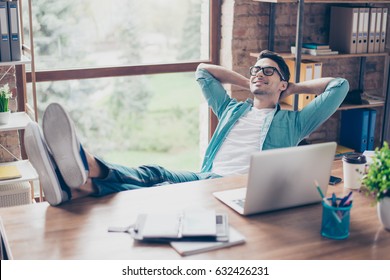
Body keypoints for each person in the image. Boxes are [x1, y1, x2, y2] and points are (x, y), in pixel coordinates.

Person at [24, 50, 349, 206]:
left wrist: (290, 90)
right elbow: (202, 72)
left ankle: (83, 164)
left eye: (268, 71)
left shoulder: (294, 122)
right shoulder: (232, 109)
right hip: (206, 177)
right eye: (255, 69)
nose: (258, 74)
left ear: (283, 83)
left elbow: (340, 85)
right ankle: (77, 185)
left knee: (156, 182)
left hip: (236, 190)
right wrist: (248, 81)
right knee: (154, 178)